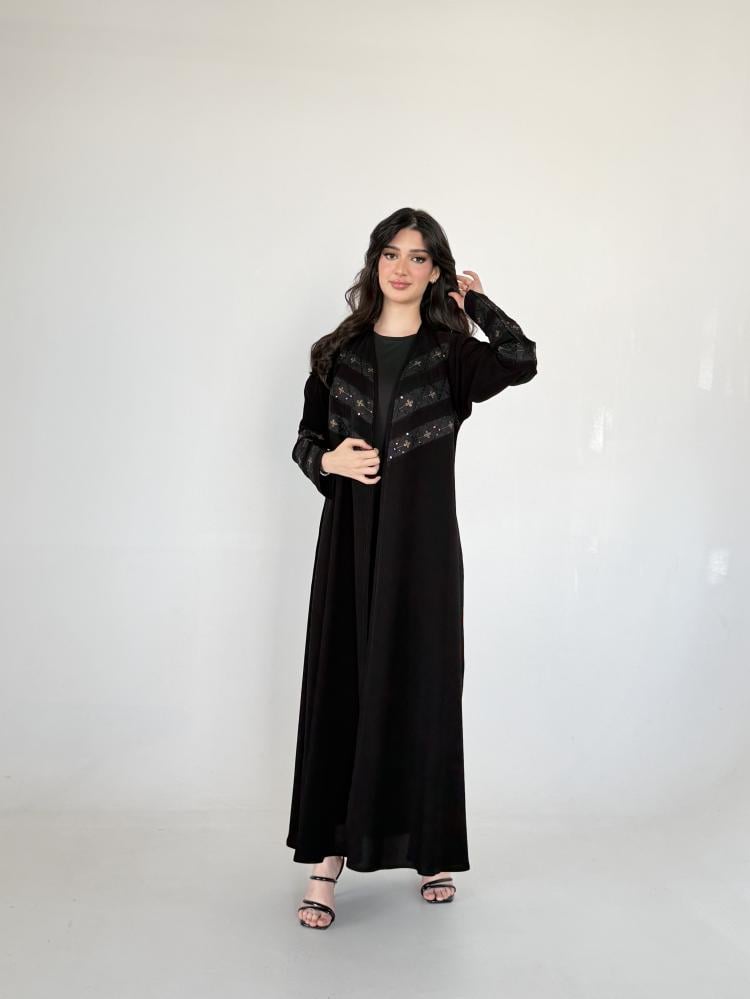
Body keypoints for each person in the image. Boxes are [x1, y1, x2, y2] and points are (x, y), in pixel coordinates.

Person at [288, 207, 538, 929]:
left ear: (435, 272)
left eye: (419, 257)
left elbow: (520, 358)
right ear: (375, 262)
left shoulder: (450, 354)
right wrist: (329, 461)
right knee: (344, 685)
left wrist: (476, 303)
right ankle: (327, 857)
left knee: (423, 686)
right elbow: (305, 439)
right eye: (391, 254)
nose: (402, 267)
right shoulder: (335, 353)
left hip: (423, 552)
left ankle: (430, 847)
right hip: (349, 547)